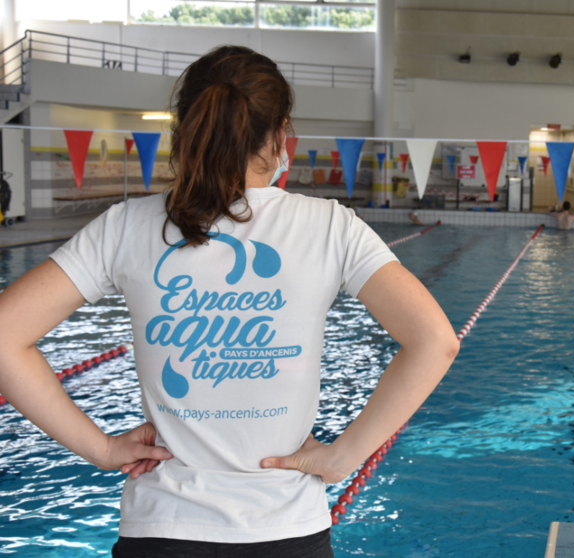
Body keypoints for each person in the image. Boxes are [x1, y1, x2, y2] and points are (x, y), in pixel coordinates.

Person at [0, 46, 458, 557]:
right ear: (281, 133)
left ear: (186, 127)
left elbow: (4, 337)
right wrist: (342, 456)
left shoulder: (126, 226)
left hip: (162, 530)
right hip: (285, 530)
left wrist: (101, 448)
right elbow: (434, 342)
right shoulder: (329, 226)